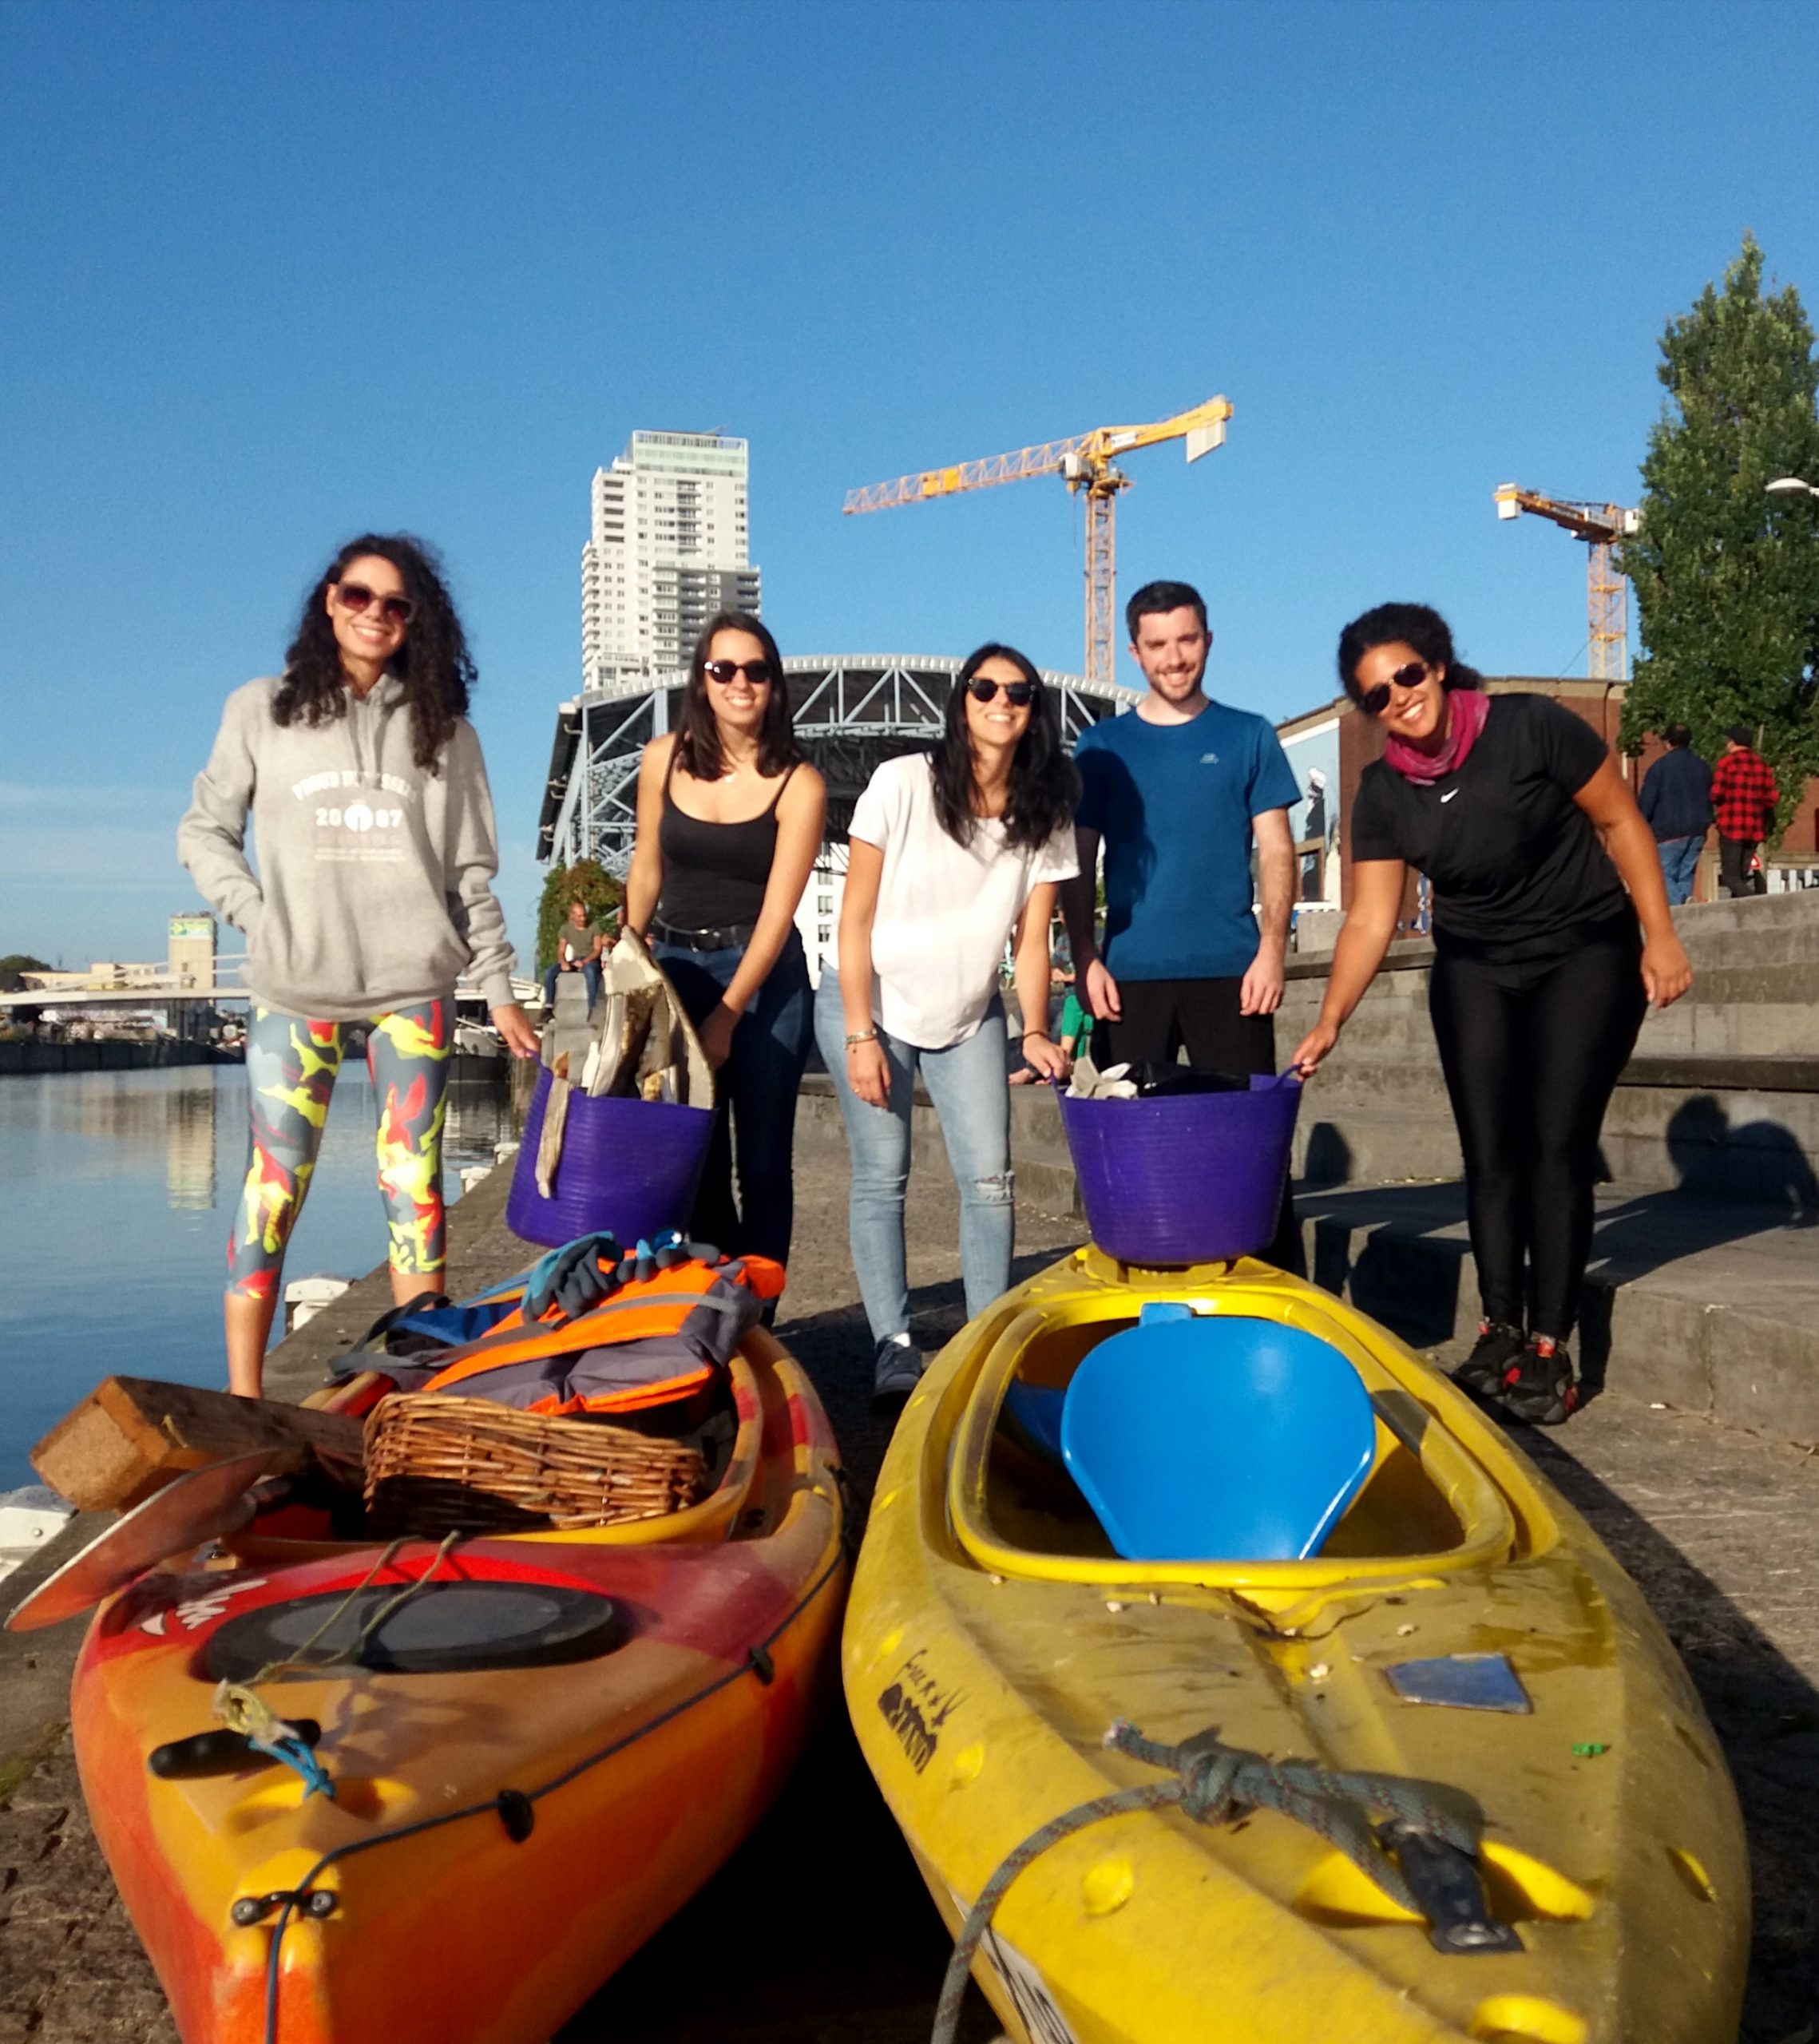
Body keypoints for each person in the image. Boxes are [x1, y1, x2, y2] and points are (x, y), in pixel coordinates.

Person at [1290, 603, 1692, 1424]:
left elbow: (1619, 820)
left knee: (1554, 1145)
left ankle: (1551, 1347)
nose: (1398, 697)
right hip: (1475, 963)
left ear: (1436, 664)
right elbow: (1370, 917)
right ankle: (1499, 1329)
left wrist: (1660, 935)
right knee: (1489, 1152)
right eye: (1376, 695)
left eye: (1406, 674)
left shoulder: (1531, 727)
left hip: (1586, 948)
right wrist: (1330, 1017)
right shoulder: (1383, 793)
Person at [178, 534, 538, 1398]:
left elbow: (469, 880)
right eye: (357, 596)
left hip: (413, 989)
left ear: (420, 621)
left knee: (414, 1188)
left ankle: (423, 1398)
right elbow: (203, 830)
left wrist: (499, 988)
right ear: (328, 601)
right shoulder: (260, 710)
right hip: (293, 990)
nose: (374, 614)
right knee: (273, 1189)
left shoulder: (447, 734)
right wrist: (261, 919)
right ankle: (245, 1401)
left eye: (395, 603)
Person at [815, 644, 1076, 1400]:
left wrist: (1033, 1027)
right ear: (962, 700)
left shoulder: (1045, 811)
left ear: (1033, 711)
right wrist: (861, 1034)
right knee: (883, 1175)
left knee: (991, 1180)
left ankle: (984, 1343)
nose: (1002, 701)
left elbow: (1034, 941)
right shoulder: (903, 784)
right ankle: (892, 1344)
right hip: (873, 1000)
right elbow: (854, 920)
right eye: (985, 687)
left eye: (1020, 692)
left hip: (969, 1012)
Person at [1058, 579, 1301, 1262]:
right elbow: (1077, 858)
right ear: (1135, 652)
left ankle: (1265, 1310)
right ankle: (1141, 1301)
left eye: (1187, 640)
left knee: (1252, 1158)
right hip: (1128, 978)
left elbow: (1277, 848)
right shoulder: (1102, 747)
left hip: (1233, 971)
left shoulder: (1248, 735)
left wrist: (1273, 950)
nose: (1174, 657)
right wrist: (1084, 958)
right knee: (1129, 1162)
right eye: (1158, 645)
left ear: (1208, 641)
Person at [625, 611, 825, 1269]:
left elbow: (777, 913)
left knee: (763, 1165)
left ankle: (759, 1320)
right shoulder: (664, 758)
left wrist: (728, 1015)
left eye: (756, 670)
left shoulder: (799, 782)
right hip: (678, 964)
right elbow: (647, 867)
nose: (740, 683)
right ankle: (710, 1309)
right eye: (724, 669)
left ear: (773, 684)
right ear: (702, 681)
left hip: (765, 980)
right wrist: (630, 956)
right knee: (696, 1158)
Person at [1636, 724, 1711, 906]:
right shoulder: (1703, 767)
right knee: (1686, 875)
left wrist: (1640, 826)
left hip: (1668, 831)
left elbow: (1647, 802)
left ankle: (1682, 901)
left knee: (1661, 875)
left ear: (1668, 742)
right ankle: (1685, 913)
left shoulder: (1659, 768)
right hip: (1698, 830)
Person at [1710, 724, 1780, 898]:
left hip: (1731, 827)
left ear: (1733, 743)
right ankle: (1739, 917)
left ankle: (1755, 903)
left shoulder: (1727, 763)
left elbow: (1716, 795)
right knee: (1741, 876)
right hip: (1754, 829)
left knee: (1731, 877)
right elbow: (1771, 798)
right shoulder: (1761, 765)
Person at [542, 897, 606, 1012]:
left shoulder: (594, 927)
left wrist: (585, 961)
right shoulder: (565, 929)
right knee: (549, 972)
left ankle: (593, 1006)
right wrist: (563, 963)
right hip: (575, 960)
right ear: (573, 916)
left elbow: (597, 950)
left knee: (591, 972)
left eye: (584, 915)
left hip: (590, 959)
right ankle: (548, 1006)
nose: (583, 919)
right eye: (580, 916)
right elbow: (561, 951)